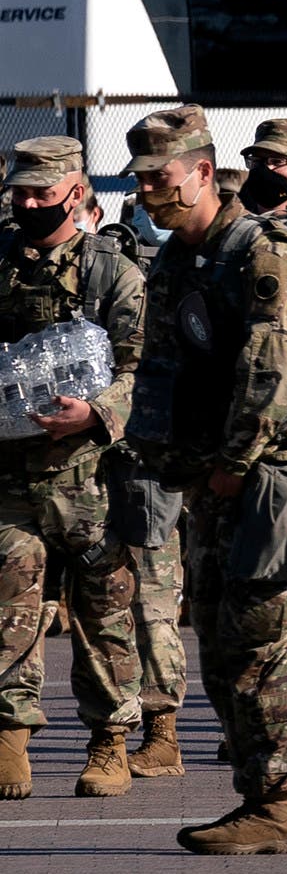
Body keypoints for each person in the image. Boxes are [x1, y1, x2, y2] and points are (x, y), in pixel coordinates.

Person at [125, 105, 287, 854]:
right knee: (218, 645)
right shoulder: (181, 259)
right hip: (212, 482)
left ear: (204, 172)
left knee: (267, 646)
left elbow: (275, 371)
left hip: (268, 479)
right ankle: (259, 797)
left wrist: (233, 466)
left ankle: (280, 806)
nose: (148, 191)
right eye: (142, 178)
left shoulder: (263, 250)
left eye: (162, 177)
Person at [0, 138, 146, 802]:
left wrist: (94, 411)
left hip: (91, 474)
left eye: (41, 191)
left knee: (103, 609)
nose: (29, 202)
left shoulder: (112, 272)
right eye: (20, 190)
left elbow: (145, 367)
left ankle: (110, 741)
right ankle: (9, 736)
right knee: (8, 601)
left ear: (77, 191)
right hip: (10, 473)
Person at [106, 187, 187, 779]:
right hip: (94, 455)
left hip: (149, 457)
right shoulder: (104, 266)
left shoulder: (189, 268)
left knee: (155, 599)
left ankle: (162, 732)